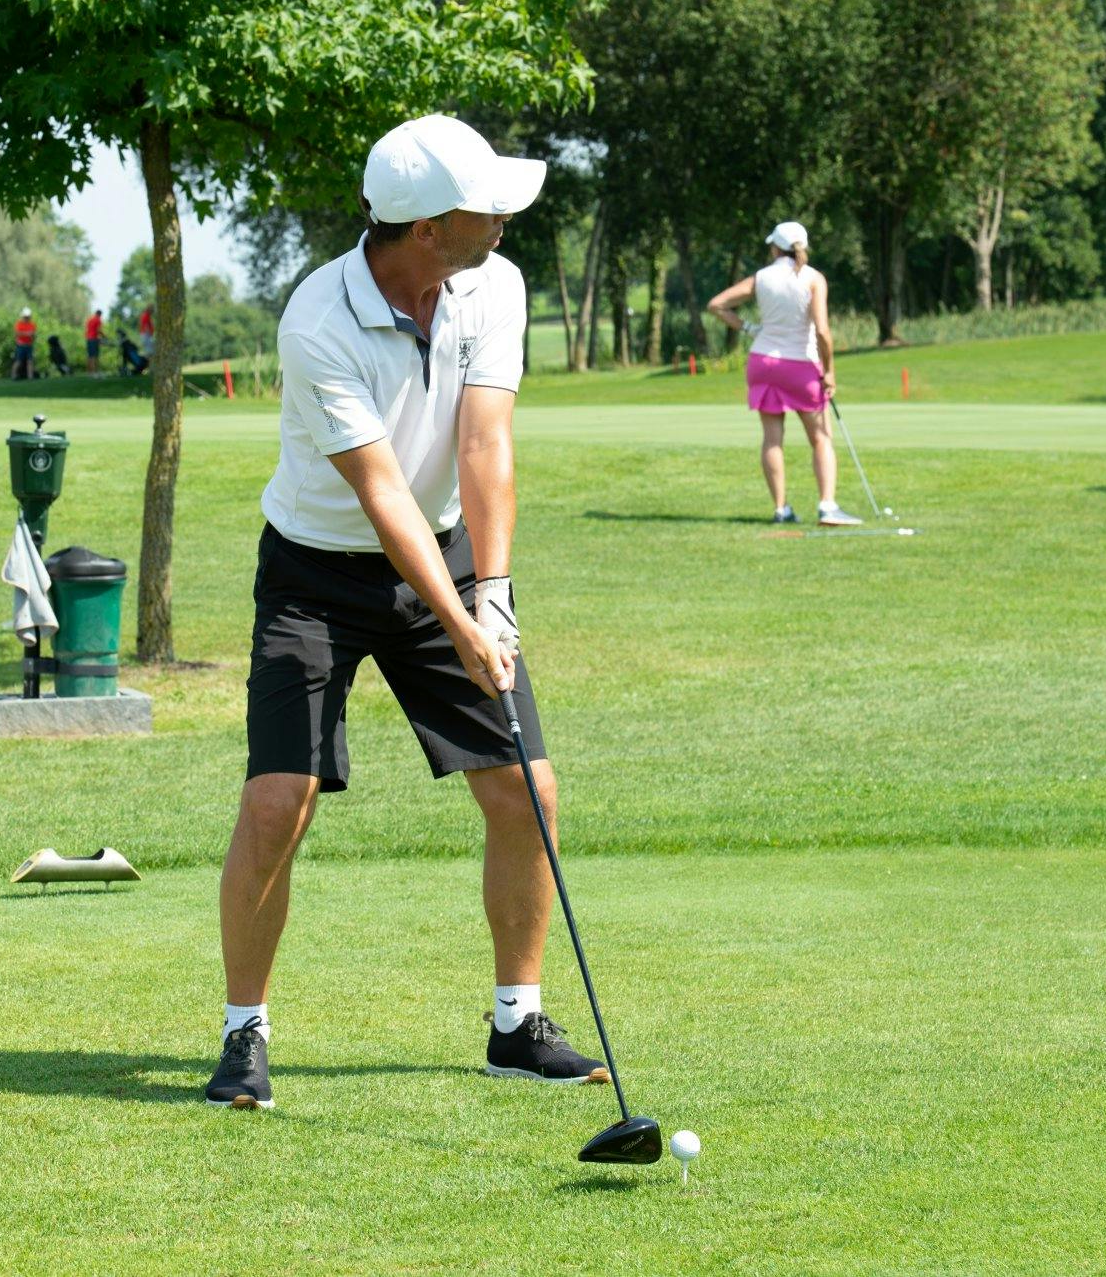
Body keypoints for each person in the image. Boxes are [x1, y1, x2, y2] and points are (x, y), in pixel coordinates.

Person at [204, 114, 607, 1111]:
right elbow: (382, 494)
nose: (506, 215)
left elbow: (484, 447)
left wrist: (493, 599)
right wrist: (460, 622)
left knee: (527, 791)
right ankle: (243, 1034)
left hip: (451, 555)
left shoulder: (491, 284)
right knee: (276, 803)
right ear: (428, 227)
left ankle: (516, 1025)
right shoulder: (318, 321)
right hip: (316, 572)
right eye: (486, 204)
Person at [704, 223, 860, 526]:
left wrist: (750, 329)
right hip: (800, 364)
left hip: (763, 362)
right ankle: (827, 506)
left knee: (772, 439)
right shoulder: (814, 278)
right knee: (820, 437)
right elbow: (823, 333)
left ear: (775, 248)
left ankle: (780, 509)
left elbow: (717, 305)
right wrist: (829, 371)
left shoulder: (761, 277)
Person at [13, 307, 36, 380]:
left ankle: (30, 377)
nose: (27, 318)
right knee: (18, 361)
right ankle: (14, 375)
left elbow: (33, 334)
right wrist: (27, 334)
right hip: (20, 345)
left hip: (29, 345)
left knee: (30, 361)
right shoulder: (19, 324)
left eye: (28, 317)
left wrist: (30, 335)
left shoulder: (32, 324)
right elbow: (17, 333)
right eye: (25, 316)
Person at [84, 308, 104, 374]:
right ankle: (95, 371)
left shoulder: (90, 319)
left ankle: (89, 372)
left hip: (88, 338)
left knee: (90, 355)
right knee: (95, 356)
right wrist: (104, 336)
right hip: (94, 339)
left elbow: (87, 328)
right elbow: (99, 331)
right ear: (100, 314)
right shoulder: (98, 320)